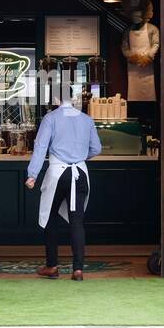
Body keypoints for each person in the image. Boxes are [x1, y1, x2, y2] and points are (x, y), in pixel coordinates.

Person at [26, 88, 101, 281]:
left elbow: (41, 146)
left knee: (51, 217)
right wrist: (80, 158)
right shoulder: (87, 119)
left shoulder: (51, 118)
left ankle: (52, 266)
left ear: (57, 99)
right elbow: (96, 148)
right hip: (80, 173)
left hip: (58, 172)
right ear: (74, 99)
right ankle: (78, 269)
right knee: (77, 220)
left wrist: (32, 174)